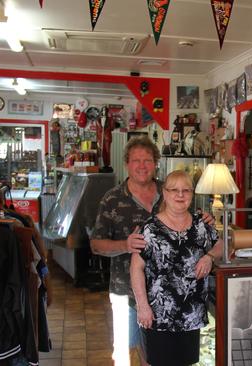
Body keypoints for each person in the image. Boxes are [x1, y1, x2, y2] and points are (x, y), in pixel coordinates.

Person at [91, 137, 213, 365]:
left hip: (170, 298)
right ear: (127, 163)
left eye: (147, 160)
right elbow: (96, 245)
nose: (142, 165)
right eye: (136, 160)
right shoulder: (112, 199)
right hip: (126, 293)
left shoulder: (170, 190)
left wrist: (205, 219)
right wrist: (124, 245)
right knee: (126, 352)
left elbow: (190, 223)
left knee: (159, 357)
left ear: (156, 163)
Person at [131, 170, 223, 366]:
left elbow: (222, 244)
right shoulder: (150, 229)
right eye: (174, 190)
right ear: (164, 193)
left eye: (186, 190)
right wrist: (142, 306)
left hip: (191, 313)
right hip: (159, 314)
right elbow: (135, 268)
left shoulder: (202, 224)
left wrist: (209, 257)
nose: (180, 195)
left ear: (192, 194)